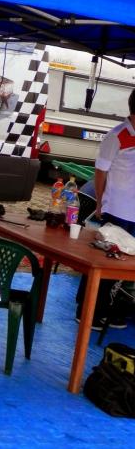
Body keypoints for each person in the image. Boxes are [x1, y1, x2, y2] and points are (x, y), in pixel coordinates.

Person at [75, 88, 135, 329]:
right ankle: (86, 309)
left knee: (124, 265)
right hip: (116, 209)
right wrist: (100, 203)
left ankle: (108, 309)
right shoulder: (117, 136)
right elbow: (100, 173)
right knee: (103, 260)